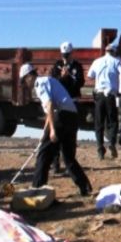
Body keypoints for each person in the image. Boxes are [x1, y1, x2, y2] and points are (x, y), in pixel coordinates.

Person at [19, 63, 92, 196]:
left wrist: (52, 130)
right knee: (68, 157)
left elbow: (50, 104)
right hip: (72, 116)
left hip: (62, 116)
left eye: (24, 81)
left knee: (44, 154)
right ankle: (85, 187)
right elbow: (49, 111)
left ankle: (38, 188)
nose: (25, 85)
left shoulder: (40, 83)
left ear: (29, 76)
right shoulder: (48, 81)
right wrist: (44, 132)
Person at [49, 41, 85, 171]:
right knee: (57, 134)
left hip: (73, 103)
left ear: (72, 53)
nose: (65, 57)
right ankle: (55, 163)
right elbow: (53, 83)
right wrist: (62, 77)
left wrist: (69, 76)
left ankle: (71, 164)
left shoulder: (77, 66)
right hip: (60, 104)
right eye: (64, 55)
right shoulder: (57, 66)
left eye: (68, 54)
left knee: (71, 135)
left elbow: (80, 83)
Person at [87, 43, 121, 159]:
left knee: (99, 123)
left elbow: (90, 75)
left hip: (99, 94)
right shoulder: (117, 62)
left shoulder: (97, 61)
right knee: (112, 122)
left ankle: (100, 148)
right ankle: (112, 143)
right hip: (110, 95)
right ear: (114, 51)